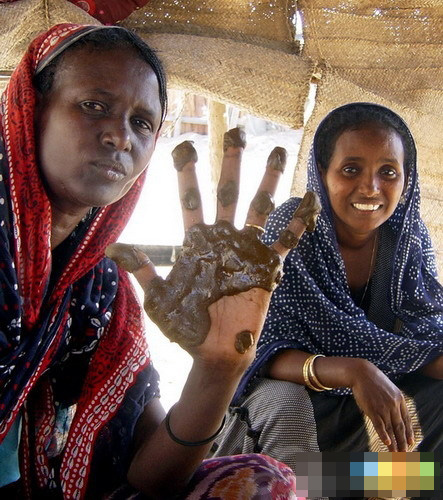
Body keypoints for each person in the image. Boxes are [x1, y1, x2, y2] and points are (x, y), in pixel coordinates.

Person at [0, 22, 314, 499]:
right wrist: (349, 372)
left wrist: (218, 367)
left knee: (275, 481)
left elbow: (149, 475)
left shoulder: (97, 289)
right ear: (31, 111)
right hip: (286, 415)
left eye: (142, 123)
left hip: (362, 439)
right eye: (93, 106)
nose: (120, 137)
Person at [214, 103, 443, 474]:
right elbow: (265, 349)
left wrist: (371, 372)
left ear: (406, 179)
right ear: (322, 172)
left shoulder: (406, 240)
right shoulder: (293, 229)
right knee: (288, 408)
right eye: (351, 169)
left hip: (364, 394)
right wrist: (355, 371)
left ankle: (374, 487)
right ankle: (294, 487)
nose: (371, 187)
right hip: (288, 392)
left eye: (388, 172)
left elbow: (423, 339)